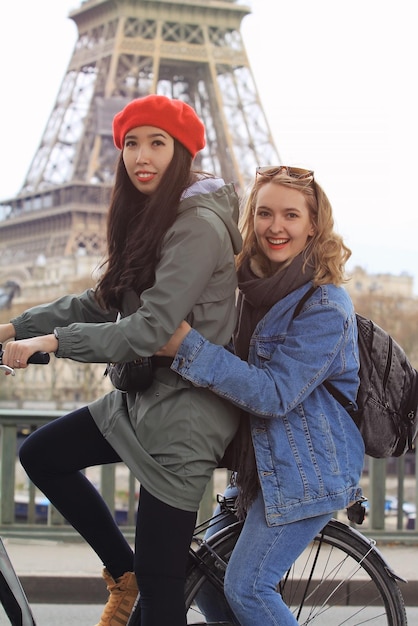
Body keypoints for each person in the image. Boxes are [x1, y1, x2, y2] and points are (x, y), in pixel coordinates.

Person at [0, 94, 242, 626]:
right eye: (131, 143)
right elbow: (99, 300)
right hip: (141, 401)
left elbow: (150, 328)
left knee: (163, 593)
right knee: (41, 455)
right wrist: (15, 327)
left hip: (187, 415)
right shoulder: (150, 218)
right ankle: (122, 573)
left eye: (157, 142)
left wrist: (56, 343)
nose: (141, 155)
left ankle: (145, 579)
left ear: (182, 153)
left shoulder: (198, 225)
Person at [157, 165, 365, 626]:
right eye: (265, 213)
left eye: (291, 215)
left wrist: (188, 347)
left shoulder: (326, 305)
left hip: (306, 469)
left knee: (247, 587)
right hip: (262, 465)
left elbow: (273, 394)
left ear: (313, 225)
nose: (276, 226)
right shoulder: (247, 289)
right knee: (206, 579)